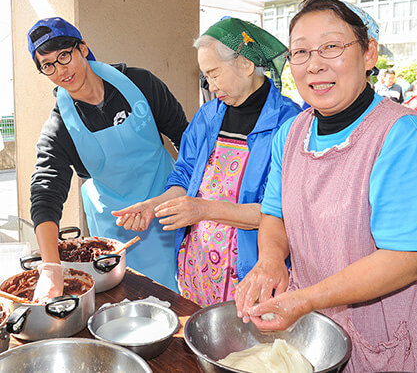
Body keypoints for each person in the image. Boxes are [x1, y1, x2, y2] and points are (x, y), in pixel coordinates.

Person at [234, 0, 417, 372]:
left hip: (402, 343)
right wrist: (271, 260)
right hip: (326, 335)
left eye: (331, 47)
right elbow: (274, 212)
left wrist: (305, 299)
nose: (315, 65)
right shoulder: (291, 134)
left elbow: (412, 260)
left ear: (369, 53)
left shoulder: (404, 137)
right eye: (301, 52)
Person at [113, 17, 301, 307]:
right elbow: (185, 175)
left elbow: (280, 213)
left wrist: (202, 209)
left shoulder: (289, 123)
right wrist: (153, 206)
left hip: (251, 270)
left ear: (246, 65)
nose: (211, 87)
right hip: (198, 264)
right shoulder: (208, 116)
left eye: (214, 74)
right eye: (206, 77)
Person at [28, 17, 188, 300]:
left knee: (184, 296)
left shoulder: (141, 84)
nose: (60, 70)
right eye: (48, 65)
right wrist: (51, 267)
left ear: (83, 48)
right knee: (130, 301)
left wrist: (192, 194)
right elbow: (45, 191)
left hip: (167, 209)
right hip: (115, 227)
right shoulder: (60, 126)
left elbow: (185, 141)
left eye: (64, 56)